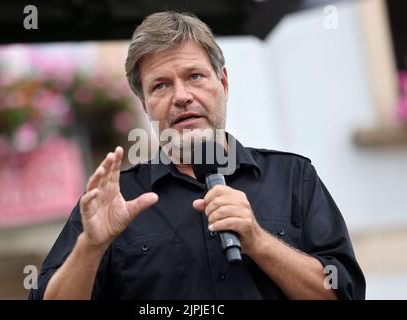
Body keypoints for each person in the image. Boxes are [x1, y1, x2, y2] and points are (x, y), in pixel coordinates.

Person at [29, 11, 365, 300]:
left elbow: (342, 293)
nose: (182, 96)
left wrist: (259, 241)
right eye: (160, 85)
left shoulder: (293, 177)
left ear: (224, 83)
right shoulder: (114, 198)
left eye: (194, 76)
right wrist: (91, 246)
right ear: (145, 105)